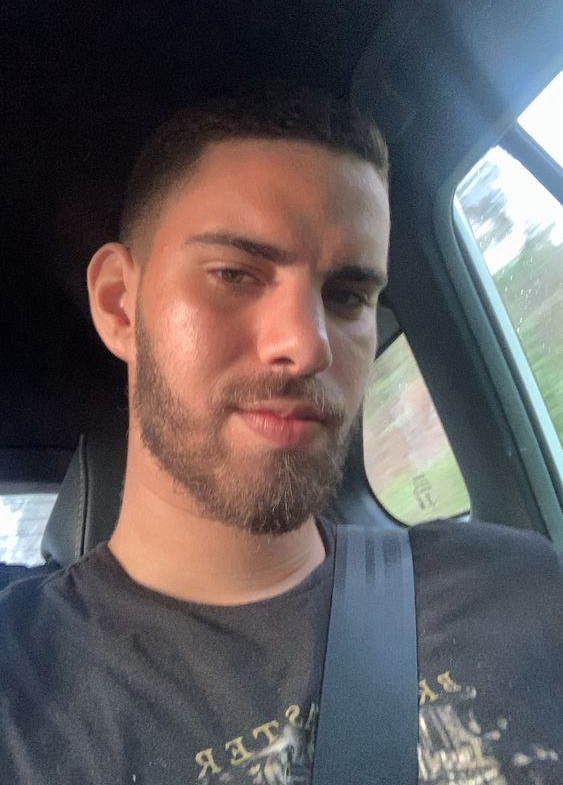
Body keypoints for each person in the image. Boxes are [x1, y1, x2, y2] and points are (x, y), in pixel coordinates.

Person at [0, 86, 561, 784]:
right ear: (119, 304)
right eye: (234, 275)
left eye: (347, 295)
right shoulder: (21, 703)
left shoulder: (522, 585)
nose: (308, 344)